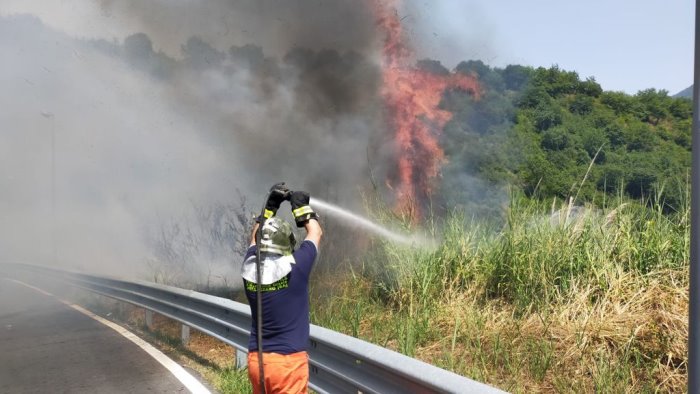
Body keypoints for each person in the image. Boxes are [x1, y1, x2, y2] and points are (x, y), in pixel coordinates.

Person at [240, 183, 322, 394]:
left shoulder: (250, 269)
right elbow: (316, 232)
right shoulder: (296, 269)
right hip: (288, 364)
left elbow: (253, 239)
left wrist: (269, 208)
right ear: (286, 245)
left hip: (257, 361)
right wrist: (301, 208)